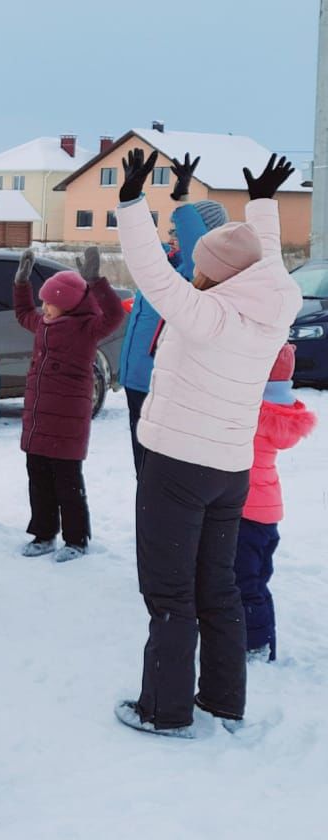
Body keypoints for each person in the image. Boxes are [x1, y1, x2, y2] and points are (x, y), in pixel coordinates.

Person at [112, 151, 302, 737]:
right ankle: (223, 699)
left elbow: (149, 269)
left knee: (169, 592)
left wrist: (129, 204)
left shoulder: (208, 314)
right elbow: (263, 259)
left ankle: (163, 710)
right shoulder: (273, 305)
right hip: (230, 471)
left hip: (177, 468)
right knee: (216, 586)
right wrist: (264, 206)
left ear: (214, 273)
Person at [119, 154, 229, 477]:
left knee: (160, 476)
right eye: (170, 229)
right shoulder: (164, 265)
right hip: (135, 382)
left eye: (177, 230)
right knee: (143, 471)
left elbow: (200, 261)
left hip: (164, 386)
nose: (171, 236)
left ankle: (156, 525)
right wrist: (132, 197)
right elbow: (137, 242)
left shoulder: (200, 277)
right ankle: (146, 526)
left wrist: (184, 205)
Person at [15, 247, 125, 562]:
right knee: (38, 480)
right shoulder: (44, 325)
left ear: (68, 304)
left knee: (67, 483)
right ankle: (43, 534)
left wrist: (95, 282)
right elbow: (24, 314)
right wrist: (21, 284)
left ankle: (76, 540)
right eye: (44, 301)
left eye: (50, 302)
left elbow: (115, 315)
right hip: (38, 418)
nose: (44, 306)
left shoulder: (86, 328)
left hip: (66, 422)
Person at [233, 345, 316, 662]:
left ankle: (256, 645)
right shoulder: (279, 412)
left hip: (246, 510)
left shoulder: (251, 412)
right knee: (256, 582)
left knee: (244, 584)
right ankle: (262, 640)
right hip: (267, 513)